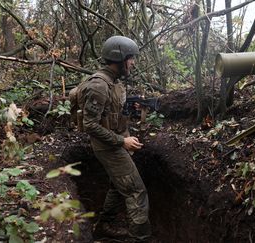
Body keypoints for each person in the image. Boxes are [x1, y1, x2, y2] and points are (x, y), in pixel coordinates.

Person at [75, 36, 151, 241]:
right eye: (131, 58)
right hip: (107, 146)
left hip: (114, 142)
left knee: (119, 186)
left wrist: (129, 120)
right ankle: (140, 238)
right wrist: (122, 142)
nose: (133, 62)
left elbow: (112, 116)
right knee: (136, 191)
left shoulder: (114, 83)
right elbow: (91, 125)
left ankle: (104, 226)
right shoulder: (99, 85)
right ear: (119, 59)